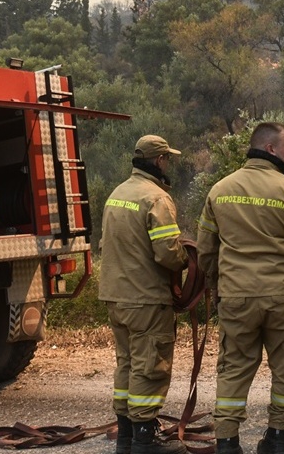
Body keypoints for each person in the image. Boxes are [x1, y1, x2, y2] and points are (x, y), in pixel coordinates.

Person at [197, 122, 284, 454]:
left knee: (234, 367)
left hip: (237, 295)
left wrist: (215, 287)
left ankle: (227, 442)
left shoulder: (219, 190)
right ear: (270, 149)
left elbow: (205, 251)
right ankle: (277, 438)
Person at [98, 135, 189, 454]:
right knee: (150, 366)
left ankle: (126, 437)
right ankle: (145, 441)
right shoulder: (156, 198)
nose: (169, 165)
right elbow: (168, 255)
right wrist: (187, 258)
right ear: (160, 161)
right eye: (168, 159)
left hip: (115, 296)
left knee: (127, 363)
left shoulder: (117, 194)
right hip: (145, 299)